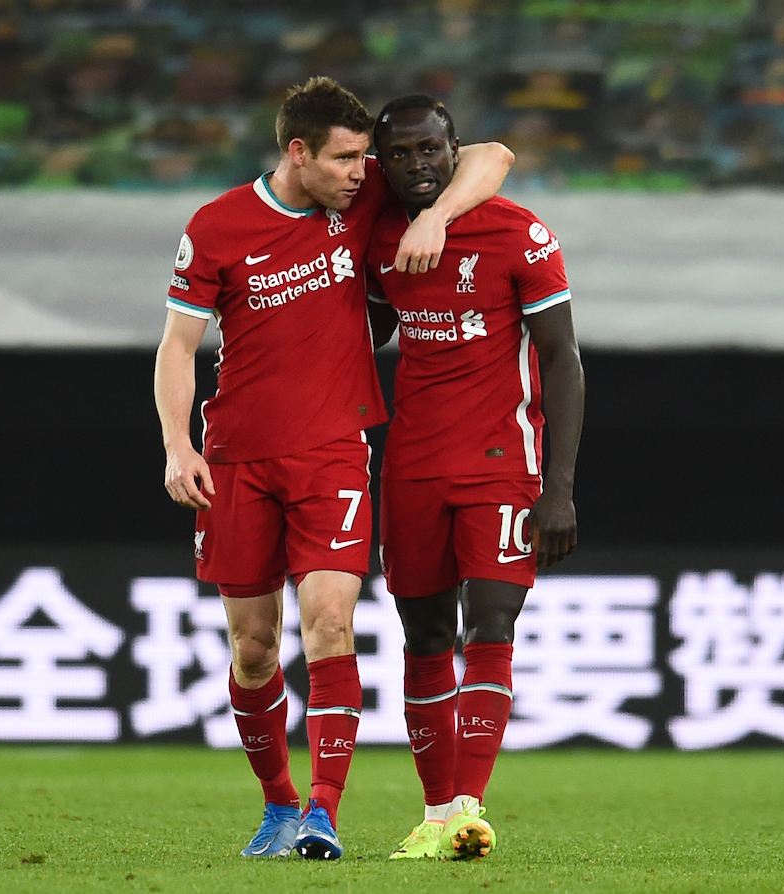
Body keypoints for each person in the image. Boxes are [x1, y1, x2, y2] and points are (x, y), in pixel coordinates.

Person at [153, 76, 513, 861]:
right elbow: (179, 345)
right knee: (253, 648)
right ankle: (280, 803)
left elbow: (492, 155)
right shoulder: (216, 226)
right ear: (298, 152)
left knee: (330, 625)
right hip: (237, 458)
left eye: (364, 159)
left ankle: (324, 813)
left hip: (334, 453)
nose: (362, 171)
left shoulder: (362, 199)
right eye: (346, 158)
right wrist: (180, 448)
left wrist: (439, 215)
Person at [365, 94, 585, 861]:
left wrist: (559, 487)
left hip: (502, 459)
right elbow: (373, 325)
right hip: (413, 463)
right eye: (401, 154)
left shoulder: (516, 230)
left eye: (432, 149)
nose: (418, 164)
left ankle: (467, 804)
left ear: (453, 149)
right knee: (423, 634)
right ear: (380, 162)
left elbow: (562, 358)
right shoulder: (375, 224)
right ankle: (432, 814)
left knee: (492, 622)